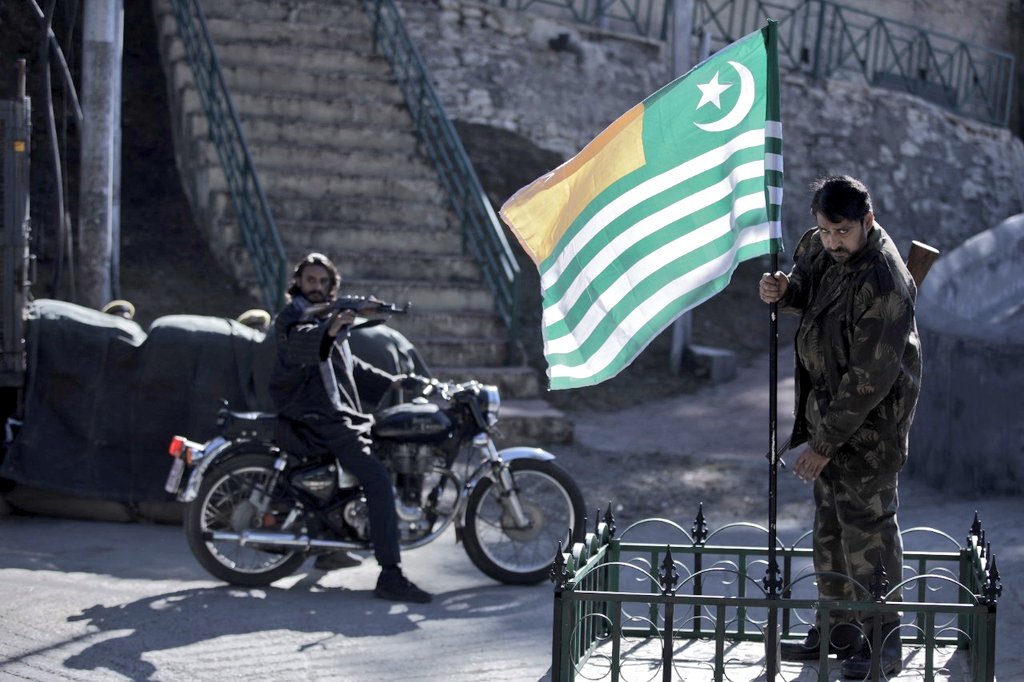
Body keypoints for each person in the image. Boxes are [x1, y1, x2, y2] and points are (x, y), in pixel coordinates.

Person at [759, 176, 921, 678]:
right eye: (826, 230)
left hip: (869, 432)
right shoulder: (820, 245)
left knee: (868, 534)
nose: (832, 242)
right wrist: (784, 290)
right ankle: (838, 628)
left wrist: (823, 445)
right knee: (829, 530)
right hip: (827, 416)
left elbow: (869, 380)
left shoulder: (886, 281)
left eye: (843, 232)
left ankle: (883, 641)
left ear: (867, 221)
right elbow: (807, 287)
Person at [269, 252, 432, 603]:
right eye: (310, 280)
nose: (316, 286)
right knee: (377, 480)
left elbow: (347, 363)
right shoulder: (292, 316)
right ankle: (390, 575)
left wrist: (393, 382)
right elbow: (301, 344)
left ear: (332, 285)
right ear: (298, 283)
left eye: (323, 281)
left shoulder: (325, 317)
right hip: (316, 415)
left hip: (334, 413)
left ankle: (332, 545)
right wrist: (331, 327)